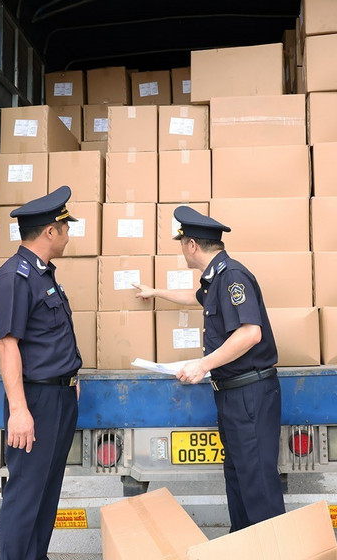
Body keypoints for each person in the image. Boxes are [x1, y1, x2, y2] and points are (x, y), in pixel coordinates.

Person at [134, 206, 285, 532]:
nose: (182, 249)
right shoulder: (216, 278)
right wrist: (156, 292)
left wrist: (203, 365)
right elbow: (194, 297)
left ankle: (273, 548)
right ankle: (245, 545)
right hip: (233, 394)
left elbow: (250, 332)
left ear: (191, 245)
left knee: (258, 484)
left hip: (250, 393)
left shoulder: (232, 276)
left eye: (181, 243)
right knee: (239, 479)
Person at [0, 186, 82, 560]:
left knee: (46, 491)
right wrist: (19, 410)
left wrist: (70, 381)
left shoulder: (43, 275)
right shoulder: (15, 277)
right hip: (36, 401)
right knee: (26, 494)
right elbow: (7, 345)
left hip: (58, 397)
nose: (68, 234)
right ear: (50, 232)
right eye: (65, 227)